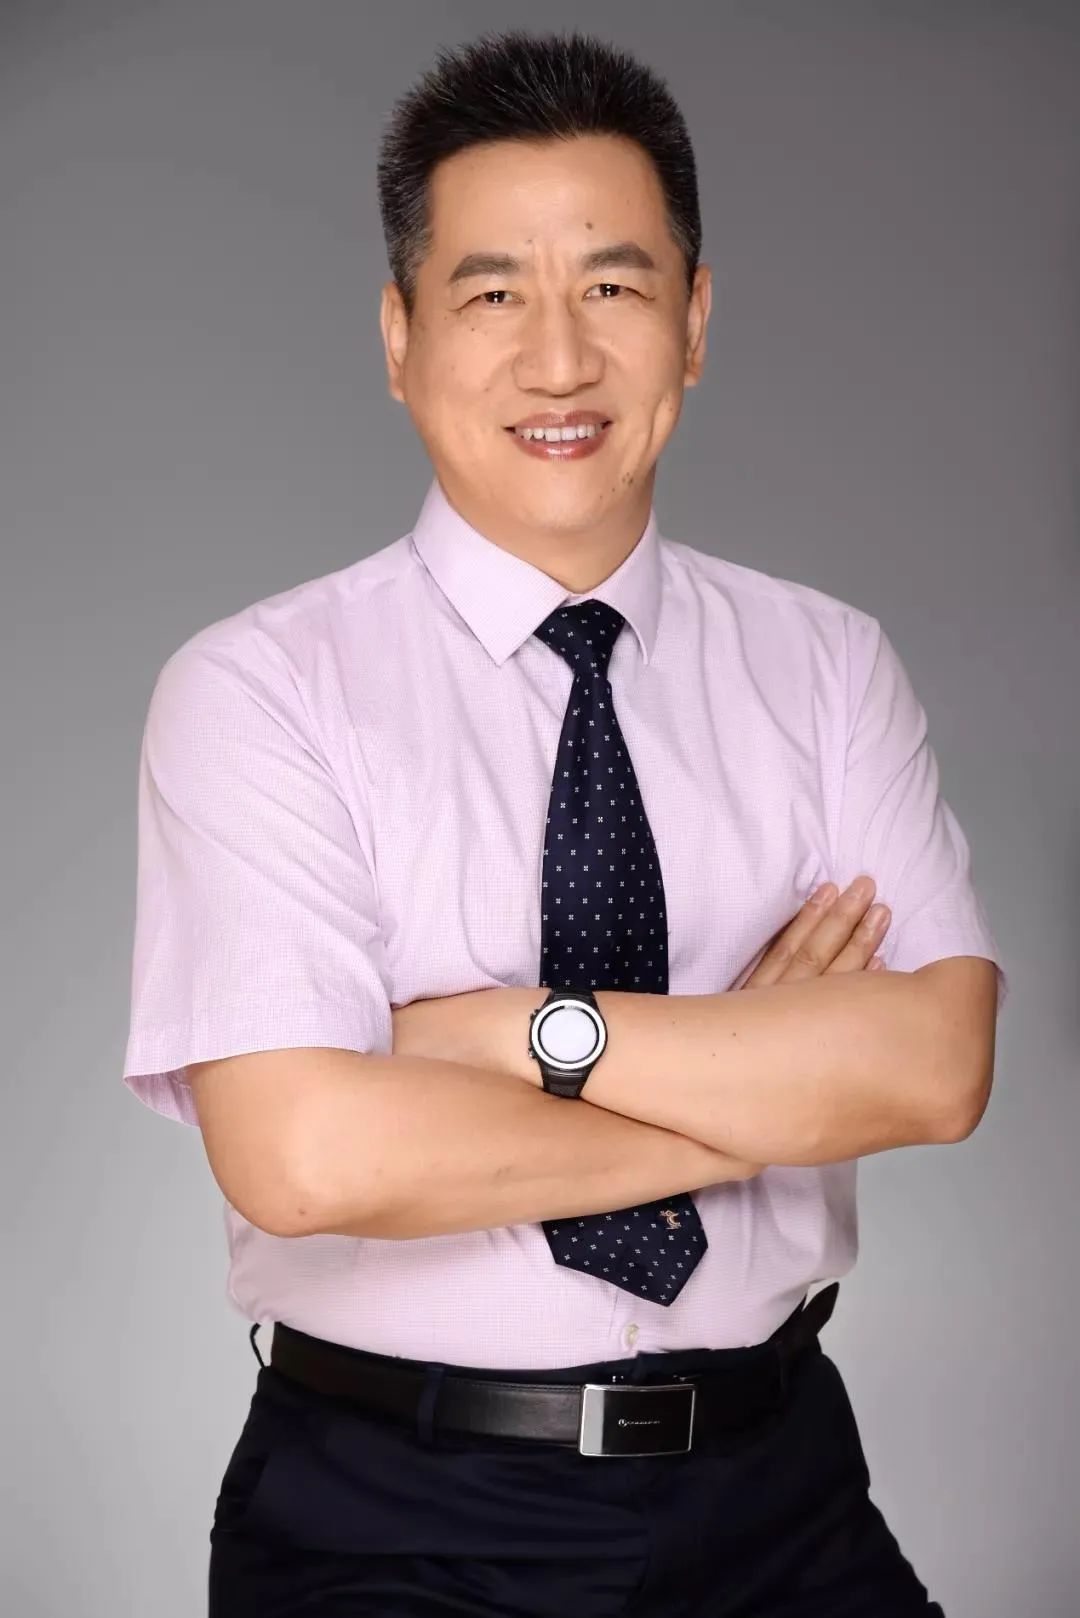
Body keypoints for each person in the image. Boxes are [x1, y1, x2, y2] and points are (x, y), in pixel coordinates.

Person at [121, 27, 1008, 1617]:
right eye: (491, 295)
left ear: (696, 321)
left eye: (612, 285)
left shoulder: (825, 665)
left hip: (782, 1492)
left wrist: (515, 1032)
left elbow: (937, 1065)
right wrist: (763, 1086)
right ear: (399, 336)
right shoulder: (259, 690)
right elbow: (306, 1157)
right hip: (400, 1517)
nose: (558, 360)